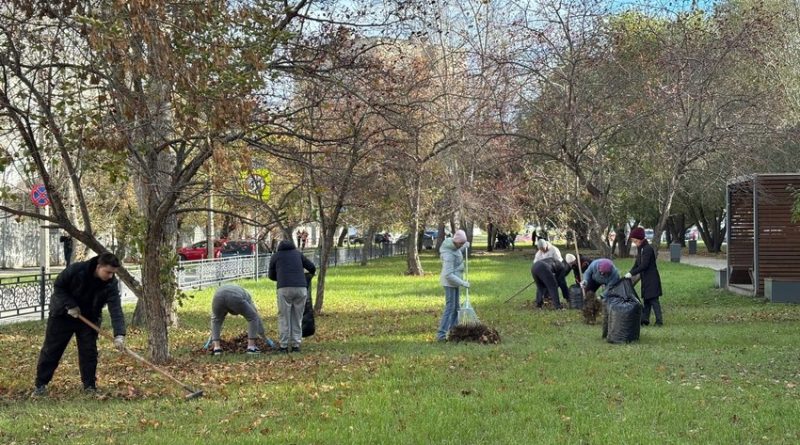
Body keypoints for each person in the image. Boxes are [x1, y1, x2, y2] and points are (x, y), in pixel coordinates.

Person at [32, 252, 126, 397]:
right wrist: (70, 305)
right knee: (52, 350)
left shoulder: (110, 284)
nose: (110, 276)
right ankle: (40, 385)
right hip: (62, 314)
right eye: (108, 272)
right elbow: (59, 287)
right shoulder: (77, 270)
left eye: (113, 273)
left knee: (89, 352)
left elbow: (116, 309)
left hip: (89, 318)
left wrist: (119, 334)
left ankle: (89, 386)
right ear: (98, 266)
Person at [268, 240, 316, 353]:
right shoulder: (298, 254)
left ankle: (284, 346)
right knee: (297, 317)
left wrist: (281, 277)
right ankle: (296, 345)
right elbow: (312, 267)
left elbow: (270, 275)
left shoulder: (276, 256)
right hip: (301, 288)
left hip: (284, 289)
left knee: (284, 317)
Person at [209, 284, 267, 355]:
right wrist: (263, 336)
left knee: (216, 320)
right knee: (252, 317)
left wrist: (213, 337)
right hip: (234, 297)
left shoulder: (242, 293)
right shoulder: (248, 298)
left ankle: (216, 348)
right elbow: (255, 317)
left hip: (218, 296)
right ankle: (251, 348)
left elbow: (215, 320)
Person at [625, 227, 664, 326]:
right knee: (646, 300)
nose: (634, 242)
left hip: (652, 278)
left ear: (640, 239)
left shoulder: (647, 249)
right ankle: (645, 319)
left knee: (654, 300)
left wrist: (632, 273)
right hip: (645, 278)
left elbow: (644, 265)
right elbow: (637, 263)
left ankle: (659, 321)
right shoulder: (640, 249)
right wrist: (630, 273)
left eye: (634, 240)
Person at [436, 229, 470, 341]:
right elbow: (448, 275)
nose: (461, 245)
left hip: (455, 281)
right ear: (456, 242)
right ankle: (441, 335)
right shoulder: (448, 254)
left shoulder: (454, 246)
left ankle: (454, 331)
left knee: (456, 308)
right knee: (450, 308)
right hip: (450, 283)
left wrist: (465, 246)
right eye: (461, 243)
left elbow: (458, 250)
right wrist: (463, 283)